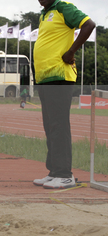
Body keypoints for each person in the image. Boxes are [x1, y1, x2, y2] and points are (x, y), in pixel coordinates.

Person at [32, 0, 95, 189]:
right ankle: (54, 171)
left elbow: (89, 24)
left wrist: (71, 51)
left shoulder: (62, 7)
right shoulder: (44, 14)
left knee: (59, 125)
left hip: (60, 76)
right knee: (50, 126)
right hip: (45, 78)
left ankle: (65, 174)